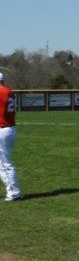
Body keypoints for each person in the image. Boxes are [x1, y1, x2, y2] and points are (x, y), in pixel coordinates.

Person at [0, 71, 21, 202]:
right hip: (9, 129)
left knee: (4, 164)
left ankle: (14, 193)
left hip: (3, 130)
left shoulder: (2, 91)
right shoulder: (8, 90)